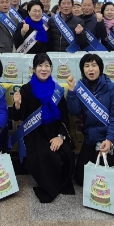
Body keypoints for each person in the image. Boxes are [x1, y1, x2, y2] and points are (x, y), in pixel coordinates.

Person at [10, 53, 74, 203]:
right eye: (40, 65)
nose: (44, 69)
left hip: (54, 130)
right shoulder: (26, 89)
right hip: (35, 133)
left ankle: (60, 182)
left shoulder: (57, 89)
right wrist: (17, 104)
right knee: (46, 155)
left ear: (51, 68)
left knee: (66, 153)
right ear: (34, 69)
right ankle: (50, 187)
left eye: (47, 65)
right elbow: (18, 116)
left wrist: (60, 137)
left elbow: (64, 117)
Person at [66, 54, 114, 185]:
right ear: (83, 70)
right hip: (90, 139)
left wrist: (109, 140)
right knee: (81, 179)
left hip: (106, 138)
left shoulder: (112, 88)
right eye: (86, 66)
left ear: (100, 68)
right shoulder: (81, 87)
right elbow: (74, 111)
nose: (90, 69)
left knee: (107, 178)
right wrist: (72, 90)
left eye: (94, 65)